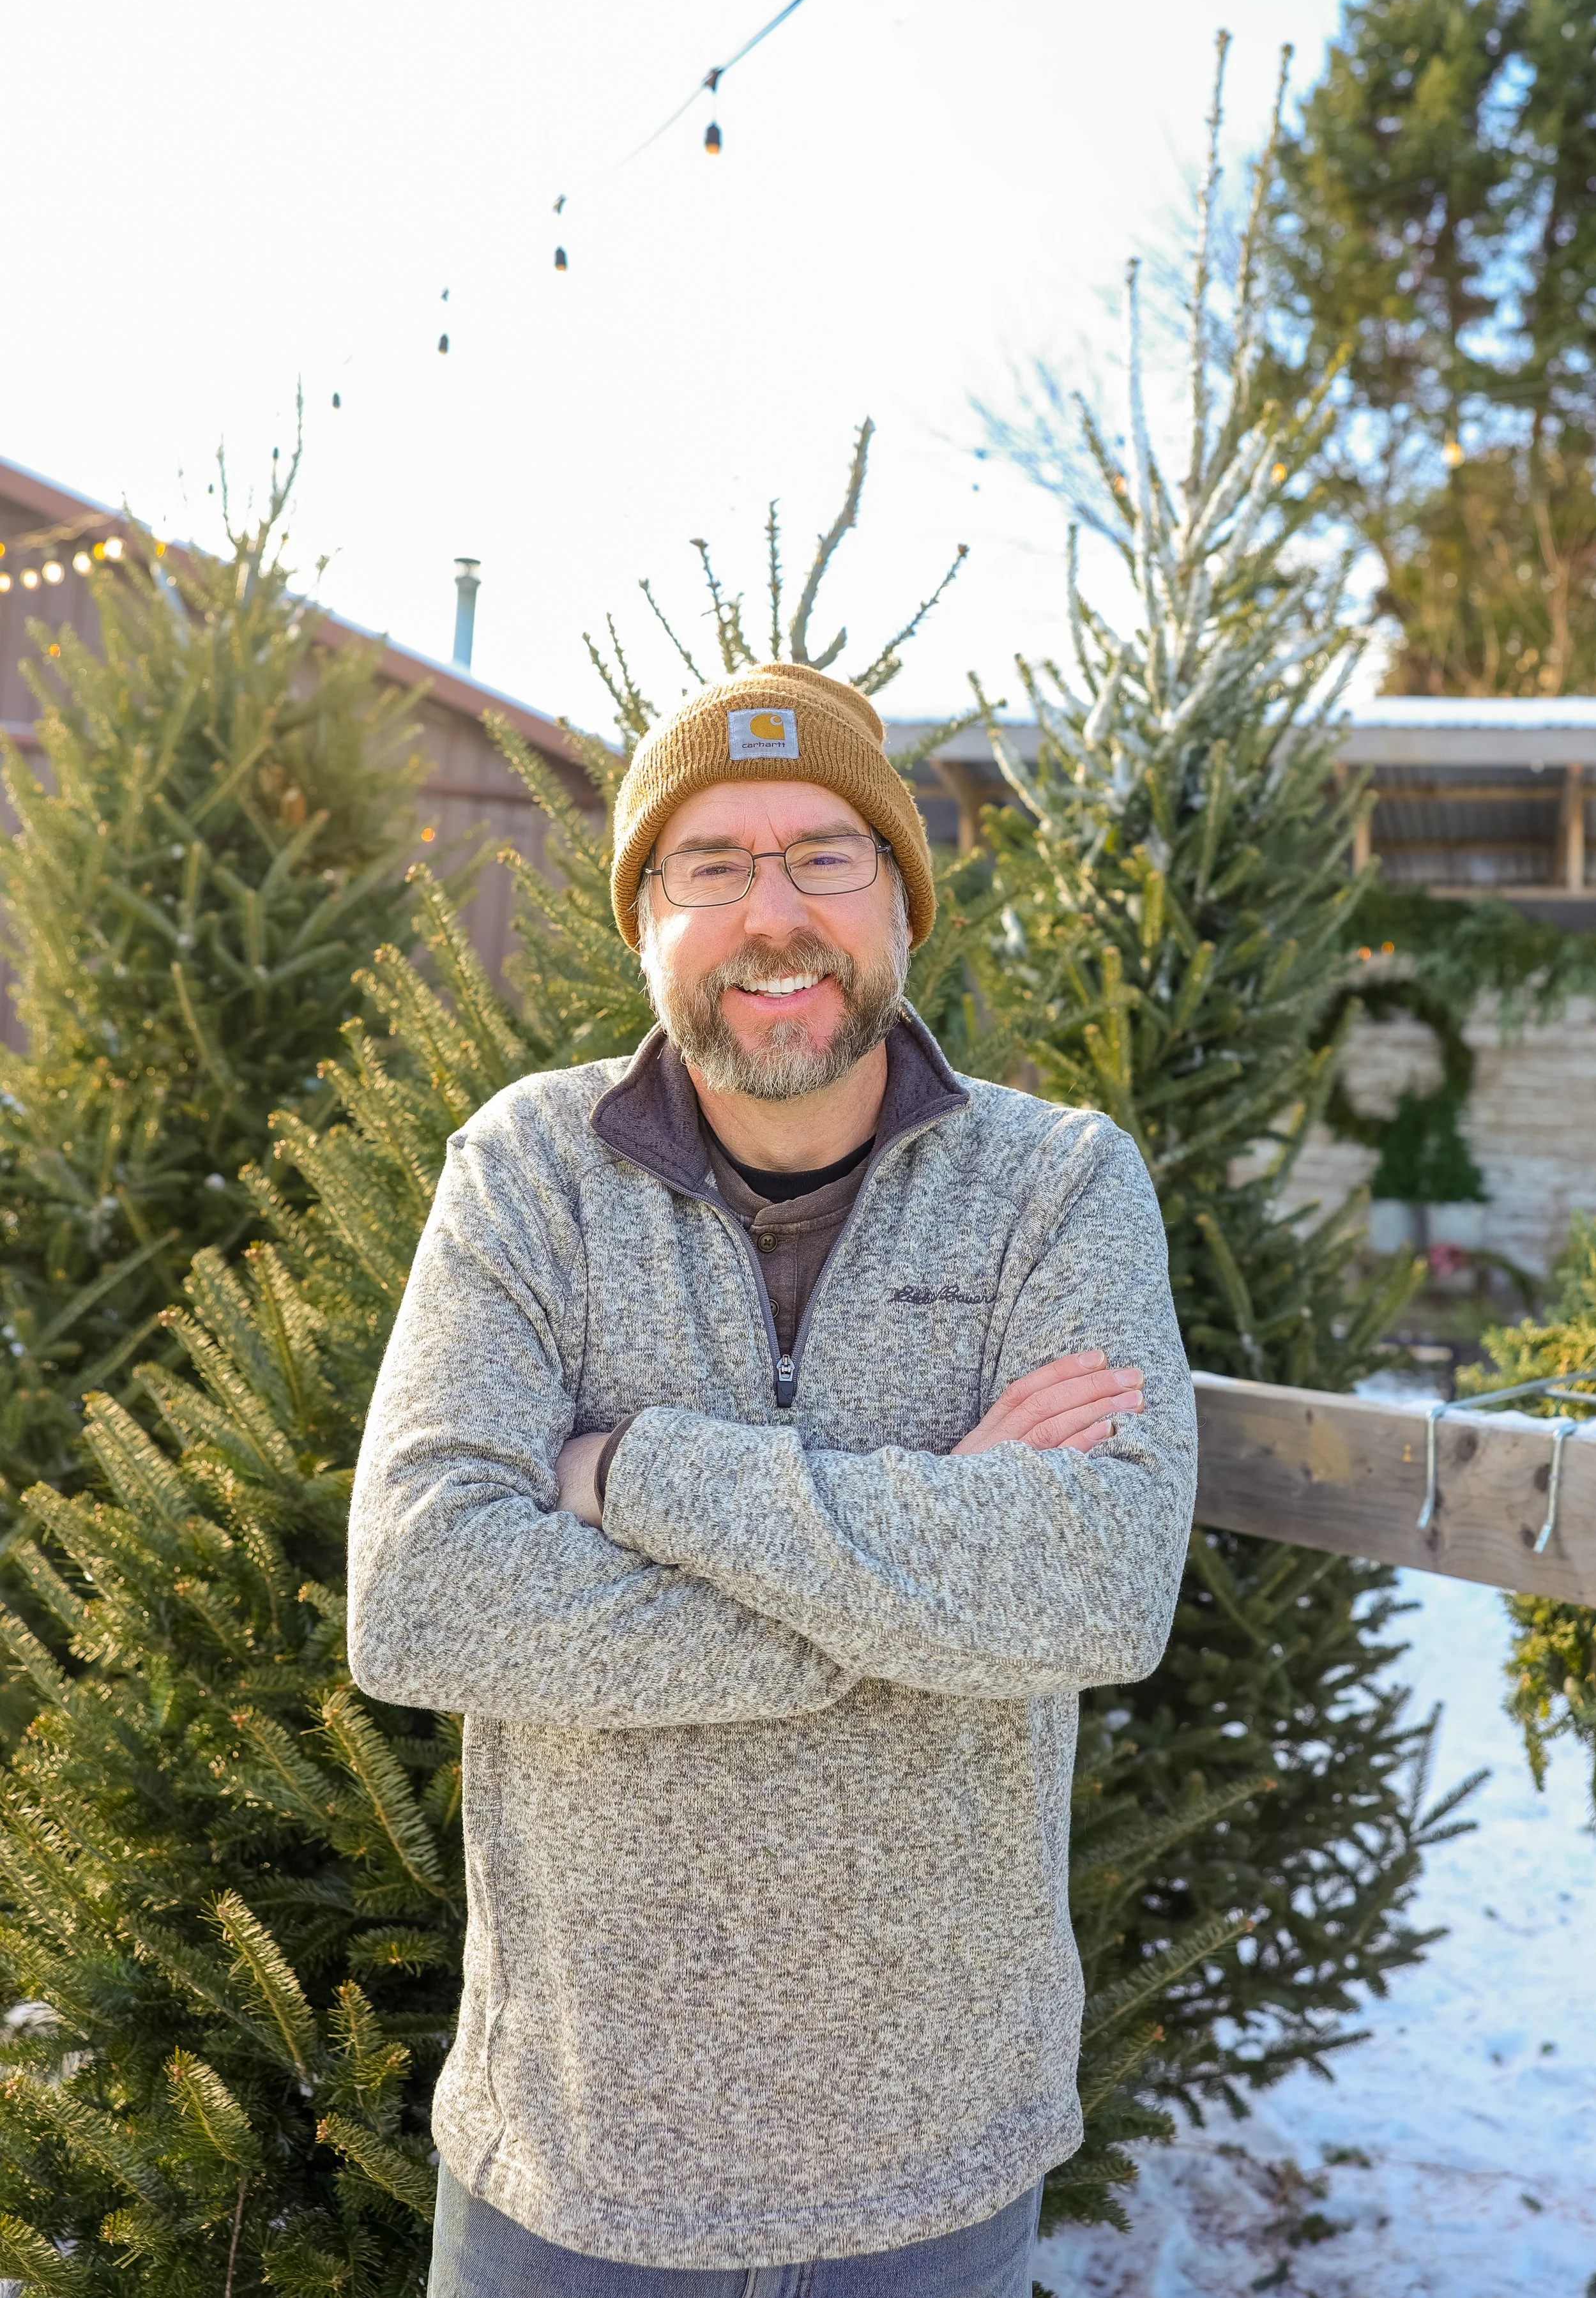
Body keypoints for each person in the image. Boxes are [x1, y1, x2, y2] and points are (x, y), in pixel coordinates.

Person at [349, 662, 1197, 2297]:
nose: (773, 914)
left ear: (899, 898)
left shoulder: (1057, 1184)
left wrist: (635, 1471)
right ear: (645, 918)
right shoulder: (525, 1172)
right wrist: (929, 1563)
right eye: (710, 863)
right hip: (575, 2175)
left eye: (824, 854)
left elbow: (1099, 1581)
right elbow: (422, 1595)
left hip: (934, 2176)